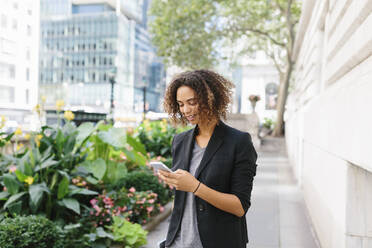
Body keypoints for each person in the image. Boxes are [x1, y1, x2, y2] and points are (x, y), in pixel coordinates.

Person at [157, 69, 258, 248]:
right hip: (178, 242)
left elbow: (239, 206)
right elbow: (181, 198)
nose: (185, 110)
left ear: (210, 98)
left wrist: (195, 186)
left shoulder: (239, 142)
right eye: (180, 104)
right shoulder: (179, 141)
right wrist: (173, 181)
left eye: (192, 102)